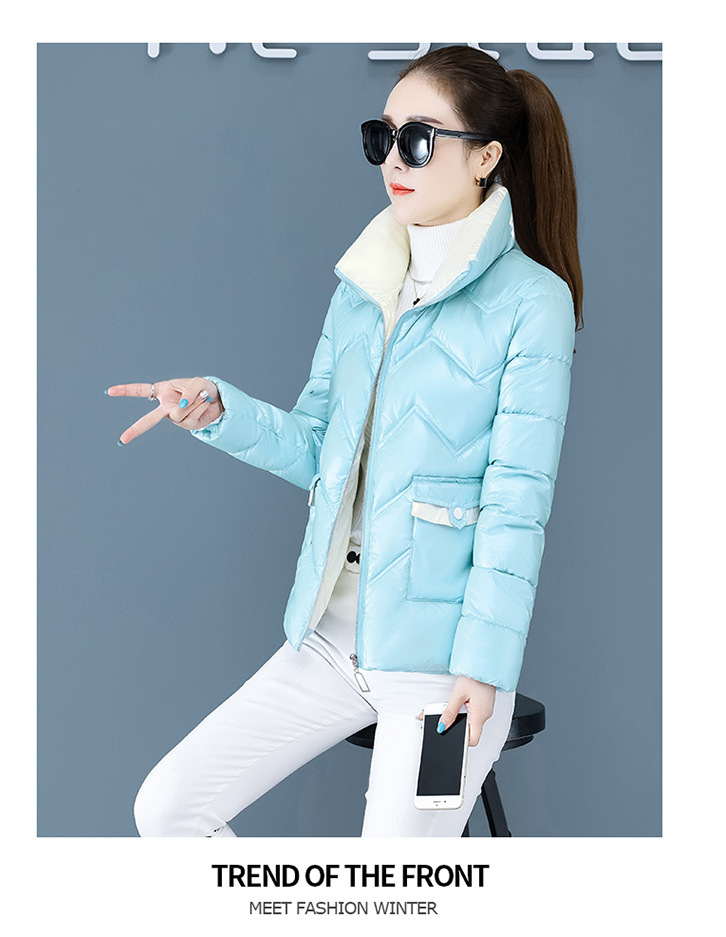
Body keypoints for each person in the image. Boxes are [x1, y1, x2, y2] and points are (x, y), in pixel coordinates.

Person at [108, 45, 583, 837]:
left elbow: (516, 502)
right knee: (168, 807)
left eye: (418, 139)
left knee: (389, 891)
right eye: (382, 136)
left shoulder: (533, 303)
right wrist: (219, 411)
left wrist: (482, 664)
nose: (393, 159)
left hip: (439, 666)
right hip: (331, 640)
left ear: (486, 157)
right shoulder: (365, 287)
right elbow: (320, 451)